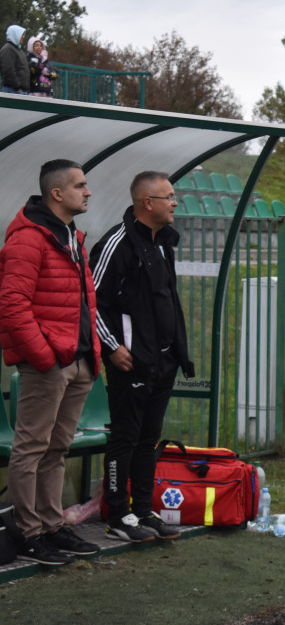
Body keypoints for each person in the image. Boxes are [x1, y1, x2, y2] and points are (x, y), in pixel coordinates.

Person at [0, 159, 102, 566]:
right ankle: (29, 533)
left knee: (57, 448)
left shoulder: (71, 236)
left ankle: (52, 525)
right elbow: (12, 305)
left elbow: (81, 304)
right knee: (31, 449)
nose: (88, 191)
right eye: (80, 185)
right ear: (56, 194)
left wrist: (88, 353)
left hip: (77, 361)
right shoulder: (28, 239)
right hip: (49, 363)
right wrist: (43, 357)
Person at [90, 171, 195, 543]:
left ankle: (142, 511)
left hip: (162, 361)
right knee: (125, 436)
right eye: (168, 196)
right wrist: (112, 346)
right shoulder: (116, 244)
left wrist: (177, 351)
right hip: (129, 361)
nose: (175, 202)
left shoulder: (164, 243)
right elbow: (91, 302)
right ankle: (118, 515)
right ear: (146, 203)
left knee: (149, 439)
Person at [1, 24, 30, 94]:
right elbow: (8, 70)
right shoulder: (8, 49)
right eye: (21, 35)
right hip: (13, 90)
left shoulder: (19, 51)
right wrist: (17, 87)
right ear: (15, 34)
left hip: (22, 90)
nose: (23, 37)